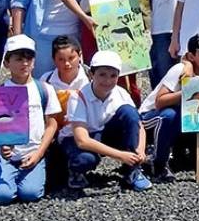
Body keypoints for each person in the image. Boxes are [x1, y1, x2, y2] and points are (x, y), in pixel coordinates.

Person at [62, 50, 151, 191]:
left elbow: (139, 125)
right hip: (78, 139)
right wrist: (120, 155)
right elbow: (82, 140)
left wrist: (140, 150)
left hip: (104, 134)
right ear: (91, 74)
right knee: (85, 160)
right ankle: (74, 170)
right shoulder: (78, 97)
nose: (108, 81)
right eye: (102, 75)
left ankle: (133, 170)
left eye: (113, 76)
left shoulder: (121, 93)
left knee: (129, 112)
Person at [140, 32, 199, 181]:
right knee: (170, 115)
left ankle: (193, 156)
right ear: (191, 56)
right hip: (150, 118)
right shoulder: (180, 69)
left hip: (175, 122)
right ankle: (158, 163)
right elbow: (160, 101)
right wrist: (188, 91)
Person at [0, 34, 61, 205]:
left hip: (34, 152)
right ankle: (9, 177)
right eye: (19, 59)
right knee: (2, 196)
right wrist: (3, 146)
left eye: (29, 58)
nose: (25, 63)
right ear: (7, 63)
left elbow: (52, 124)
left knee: (31, 194)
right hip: (6, 157)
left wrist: (39, 153)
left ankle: (34, 173)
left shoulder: (44, 89)